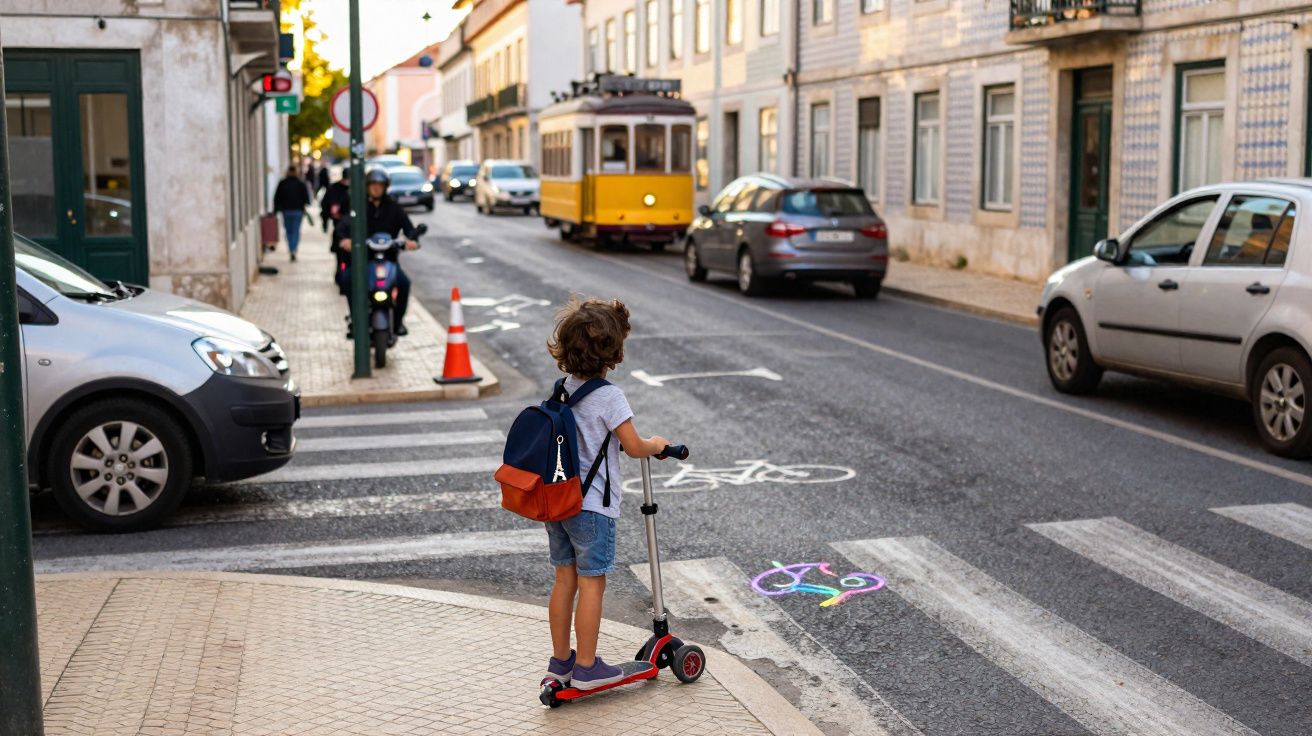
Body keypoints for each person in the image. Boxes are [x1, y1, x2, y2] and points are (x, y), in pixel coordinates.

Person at [541, 297, 671, 691]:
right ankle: (587, 667)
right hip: (593, 507)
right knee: (592, 583)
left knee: (564, 580)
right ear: (613, 353)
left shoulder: (563, 388)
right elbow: (632, 445)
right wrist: (657, 444)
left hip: (559, 502)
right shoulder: (610, 396)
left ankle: (561, 661)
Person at [333, 168, 419, 335]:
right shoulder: (358, 206)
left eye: (380, 185)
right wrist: (344, 240)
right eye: (373, 185)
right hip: (364, 260)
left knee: (404, 283)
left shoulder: (393, 207)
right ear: (367, 187)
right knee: (348, 279)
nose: (376, 189)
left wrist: (411, 240)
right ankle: (356, 319)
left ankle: (398, 322)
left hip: (389, 260)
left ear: (385, 187)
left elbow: (408, 228)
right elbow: (342, 226)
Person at [273, 165, 311, 261]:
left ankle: (291, 249)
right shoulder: (300, 183)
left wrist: (276, 210)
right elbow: (306, 198)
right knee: (296, 231)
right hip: (298, 211)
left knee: (288, 231)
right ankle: (294, 249)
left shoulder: (283, 183)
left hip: (286, 211)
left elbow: (277, 198)